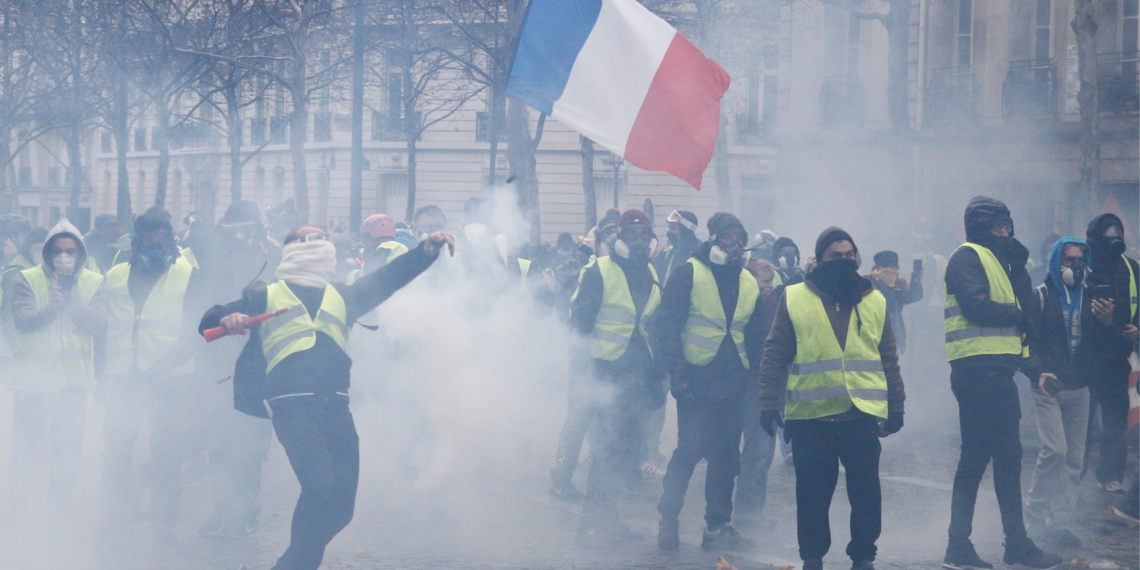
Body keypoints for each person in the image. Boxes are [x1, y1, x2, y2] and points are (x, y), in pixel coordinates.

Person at [198, 225, 454, 570]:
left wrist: (425, 252)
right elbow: (208, 320)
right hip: (291, 404)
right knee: (319, 487)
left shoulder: (345, 295)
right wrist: (228, 318)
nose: (320, 243)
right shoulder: (265, 294)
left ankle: (293, 563)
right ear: (291, 249)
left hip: (336, 403)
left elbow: (389, 278)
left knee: (342, 506)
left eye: (323, 238)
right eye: (309, 238)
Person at [757, 227, 905, 570]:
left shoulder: (875, 299)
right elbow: (775, 353)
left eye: (848, 255)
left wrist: (896, 406)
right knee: (811, 496)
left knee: (866, 494)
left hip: (861, 415)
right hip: (811, 417)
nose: (843, 261)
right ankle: (812, 558)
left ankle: (864, 555)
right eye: (835, 256)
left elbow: (888, 358)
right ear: (820, 258)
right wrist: (767, 402)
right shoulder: (793, 297)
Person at [940, 196, 1059, 570]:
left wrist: (1034, 367)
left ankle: (987, 545)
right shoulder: (967, 256)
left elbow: (1017, 330)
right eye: (997, 225)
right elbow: (978, 307)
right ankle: (980, 546)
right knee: (988, 458)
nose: (1005, 231)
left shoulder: (1002, 261)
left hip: (996, 371)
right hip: (978, 373)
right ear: (980, 226)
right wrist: (1020, 313)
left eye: (1007, 225)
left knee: (994, 459)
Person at [654, 212, 765, 551]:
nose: (735, 246)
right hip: (696, 380)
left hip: (734, 383)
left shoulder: (748, 281)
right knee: (688, 452)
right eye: (729, 238)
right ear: (714, 239)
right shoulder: (688, 272)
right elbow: (666, 326)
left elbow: (757, 334)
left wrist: (759, 379)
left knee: (726, 457)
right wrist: (676, 374)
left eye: (740, 239)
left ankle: (717, 526)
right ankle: (668, 518)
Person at [101, 207, 206, 544]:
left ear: (171, 237)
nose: (157, 241)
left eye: (163, 234)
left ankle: (164, 525)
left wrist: (168, 364)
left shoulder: (188, 274)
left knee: (167, 454)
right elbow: (105, 331)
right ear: (138, 239)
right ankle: (119, 515)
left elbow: (196, 331)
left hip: (170, 380)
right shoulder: (115, 275)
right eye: (150, 235)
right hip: (123, 378)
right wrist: (101, 379)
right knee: (116, 450)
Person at [568, 209, 664, 545]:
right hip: (604, 374)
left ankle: (606, 518)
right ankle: (593, 522)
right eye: (632, 234)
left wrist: (655, 378)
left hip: (635, 376)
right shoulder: (599, 270)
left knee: (624, 452)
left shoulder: (650, 272)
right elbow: (579, 323)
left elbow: (649, 329)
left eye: (644, 234)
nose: (639, 241)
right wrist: (585, 375)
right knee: (607, 448)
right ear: (619, 238)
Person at [6, 220, 105, 511]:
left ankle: (58, 508)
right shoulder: (27, 278)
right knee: (24, 448)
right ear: (48, 252)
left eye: (71, 251)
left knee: (67, 452)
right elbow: (23, 323)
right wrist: (50, 309)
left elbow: (99, 325)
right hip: (31, 384)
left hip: (72, 385)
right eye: (58, 251)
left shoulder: (94, 282)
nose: (64, 257)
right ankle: (17, 507)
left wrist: (74, 303)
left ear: (80, 253)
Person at [196, 200, 282, 538]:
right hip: (216, 357)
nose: (239, 232)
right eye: (232, 226)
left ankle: (245, 510)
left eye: (245, 225)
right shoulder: (211, 258)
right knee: (217, 442)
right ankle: (223, 508)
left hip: (257, 358)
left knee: (250, 443)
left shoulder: (272, 256)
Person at [1021, 238, 1104, 548]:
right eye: (1069, 260)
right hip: (1049, 387)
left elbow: (1101, 345)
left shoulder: (1091, 297)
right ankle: (1036, 515)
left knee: (1074, 458)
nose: (1076, 266)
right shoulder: (1041, 296)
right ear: (1057, 262)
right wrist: (1037, 372)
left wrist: (1106, 322)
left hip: (1080, 387)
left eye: (1081, 259)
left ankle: (1060, 521)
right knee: (1054, 450)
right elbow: (1028, 341)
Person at [1084, 214, 1139, 492]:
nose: (1114, 236)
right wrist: (1101, 322)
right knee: (1082, 419)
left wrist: (1137, 331)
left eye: (1118, 230)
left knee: (1116, 420)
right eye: (1108, 232)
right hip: (1084, 358)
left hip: (1117, 358)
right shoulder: (1081, 265)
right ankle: (1075, 473)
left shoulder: (1132, 268)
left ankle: (1111, 476)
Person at [868, 251, 923, 354]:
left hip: (894, 337)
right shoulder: (867, 284)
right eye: (885, 267)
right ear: (877, 268)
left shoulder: (899, 284)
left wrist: (915, 279)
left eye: (893, 268)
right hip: (871, 337)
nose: (890, 271)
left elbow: (913, 296)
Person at [353, 213, 408, 282]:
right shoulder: (401, 248)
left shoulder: (383, 250)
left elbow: (368, 279)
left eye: (365, 241)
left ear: (371, 236)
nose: (365, 245)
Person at [654, 210, 699, 287]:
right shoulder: (667, 253)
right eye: (669, 228)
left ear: (686, 231)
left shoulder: (700, 255)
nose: (669, 232)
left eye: (673, 228)